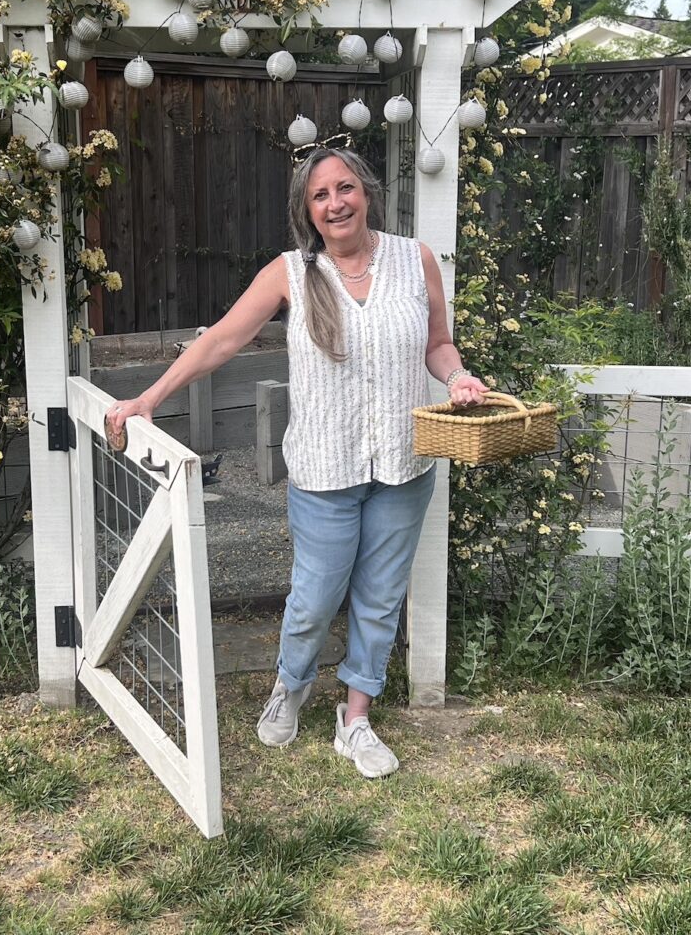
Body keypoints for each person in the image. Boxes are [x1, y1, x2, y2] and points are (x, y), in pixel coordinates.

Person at [106, 147, 487, 779]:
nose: (336, 203)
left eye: (345, 189)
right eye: (320, 196)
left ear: (365, 192)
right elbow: (222, 339)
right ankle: (292, 682)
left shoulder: (414, 260)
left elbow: (438, 345)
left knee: (381, 597)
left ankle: (355, 717)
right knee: (313, 598)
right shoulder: (289, 273)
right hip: (323, 469)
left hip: (404, 462)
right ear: (306, 211)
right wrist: (149, 397)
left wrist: (458, 378)